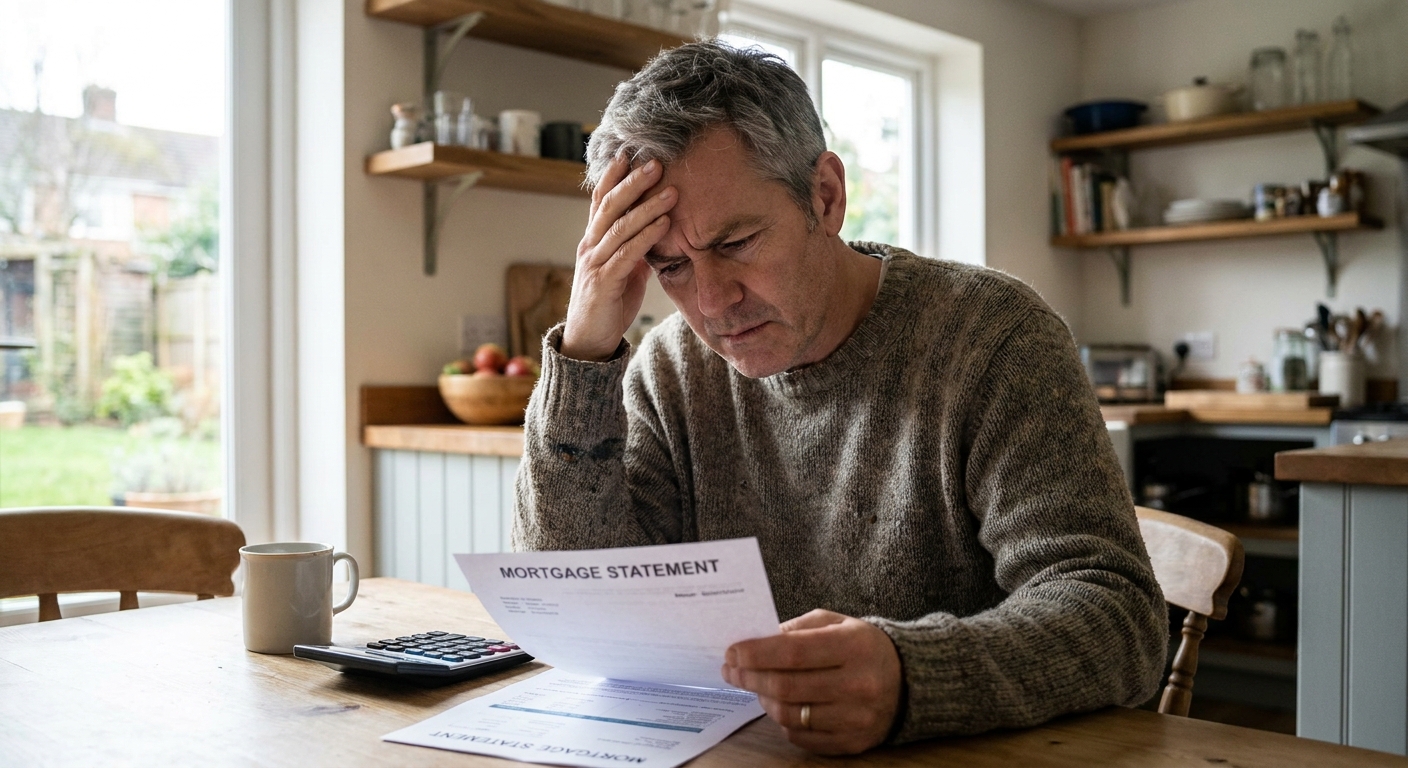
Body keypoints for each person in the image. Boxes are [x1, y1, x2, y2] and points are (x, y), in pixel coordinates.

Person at [513, 41, 1167, 755]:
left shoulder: (994, 339)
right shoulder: (672, 368)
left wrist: (913, 676)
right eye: (669, 266)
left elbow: (1119, 620)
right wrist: (582, 354)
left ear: (825, 196)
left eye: (735, 242)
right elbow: (579, 603)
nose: (712, 302)